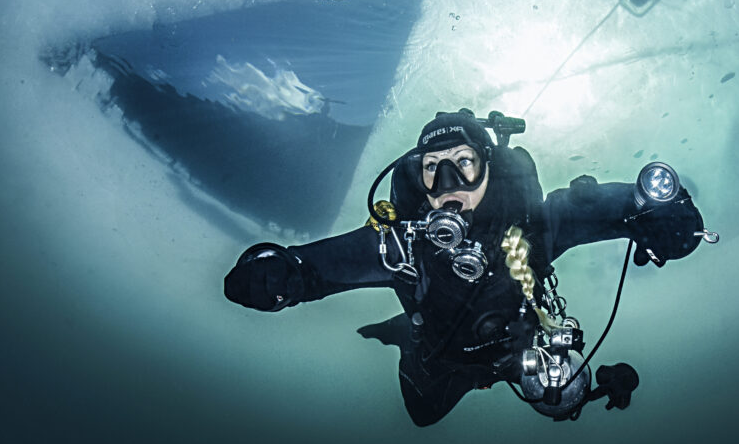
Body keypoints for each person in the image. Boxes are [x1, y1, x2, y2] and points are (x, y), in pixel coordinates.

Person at [224, 109, 709, 426]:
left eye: (463, 162)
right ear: (419, 178)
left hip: (518, 353)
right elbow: (313, 269)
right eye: (432, 168)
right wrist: (279, 273)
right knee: (422, 415)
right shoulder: (402, 244)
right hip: (442, 361)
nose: (448, 181)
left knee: (560, 400)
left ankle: (409, 332)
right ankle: (404, 335)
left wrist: (663, 216)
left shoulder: (533, 227)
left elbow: (617, 209)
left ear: (488, 166)